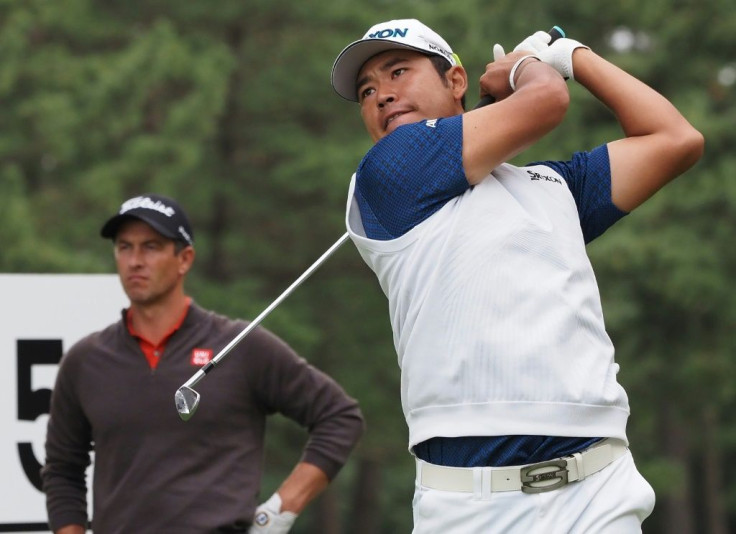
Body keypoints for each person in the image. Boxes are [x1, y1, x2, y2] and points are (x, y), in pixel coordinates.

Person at [330, 18, 703, 533]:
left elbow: (676, 138)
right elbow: (546, 102)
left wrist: (574, 56)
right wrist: (527, 67)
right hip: (470, 505)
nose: (382, 96)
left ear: (455, 82)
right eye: (367, 90)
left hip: (599, 489)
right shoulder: (387, 172)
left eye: (398, 72)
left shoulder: (554, 186)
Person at [41, 193, 365, 534]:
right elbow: (63, 469)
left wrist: (279, 510)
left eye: (150, 247)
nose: (135, 260)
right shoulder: (86, 360)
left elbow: (339, 416)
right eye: (124, 247)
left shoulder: (240, 345)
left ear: (185, 259)